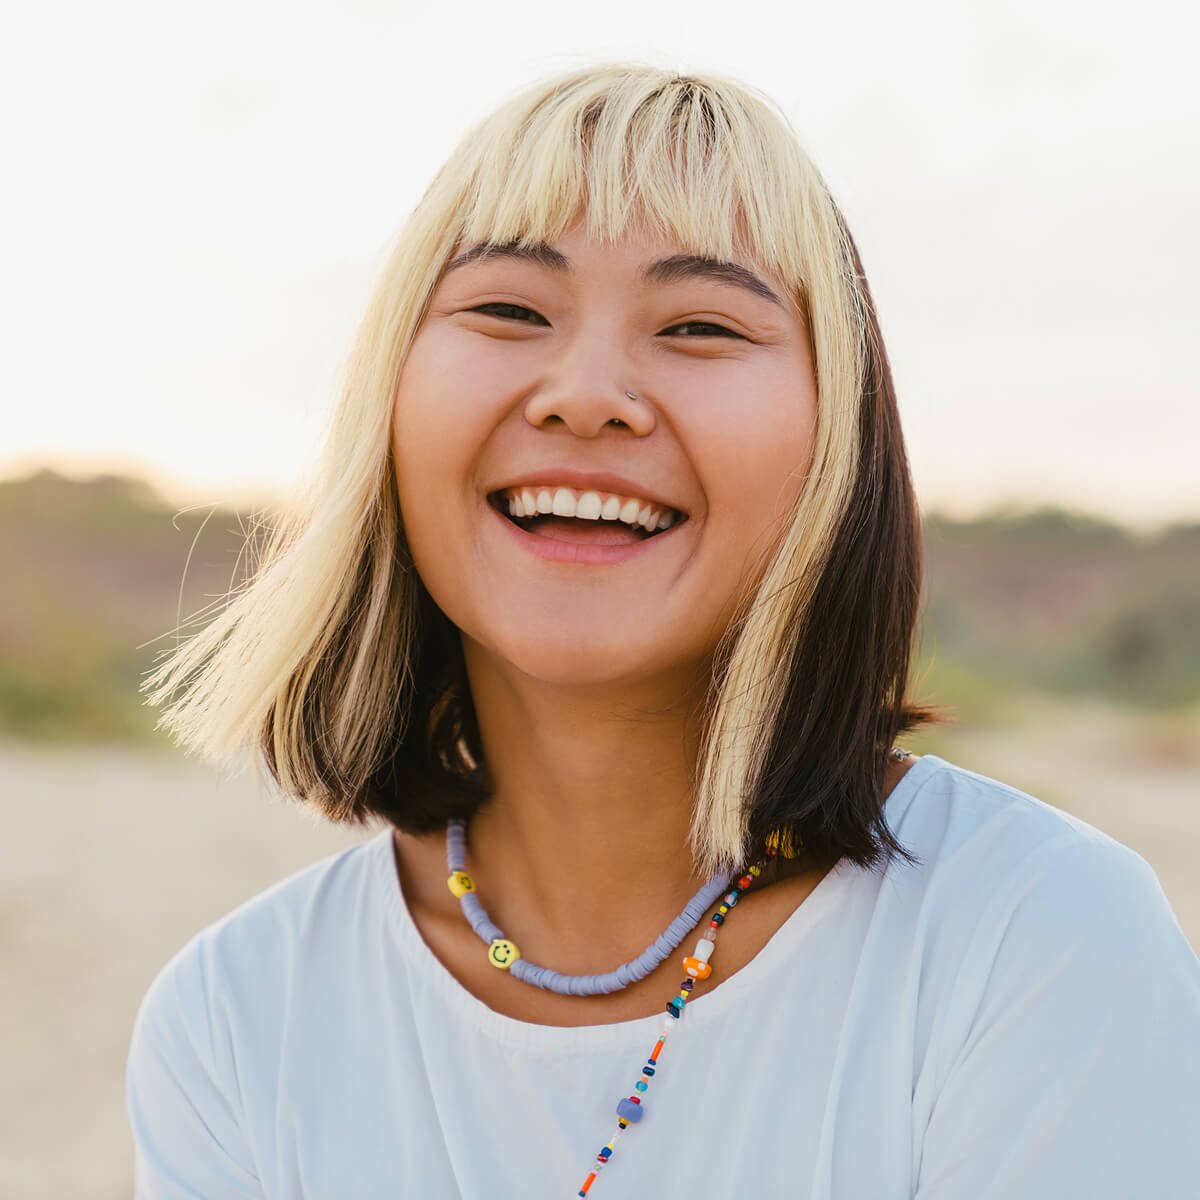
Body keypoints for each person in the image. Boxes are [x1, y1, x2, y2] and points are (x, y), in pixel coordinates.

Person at [125, 63, 1200, 1198]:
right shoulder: (234, 1023)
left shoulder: (1037, 944)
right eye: (506, 310)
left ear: (837, 444)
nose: (586, 394)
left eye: (698, 325)